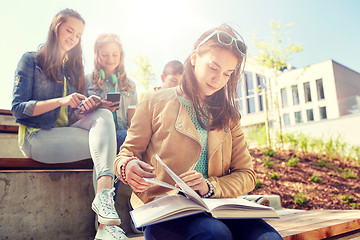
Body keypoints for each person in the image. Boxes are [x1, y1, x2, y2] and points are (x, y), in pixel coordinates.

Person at [114, 23, 283, 240]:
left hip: (218, 206)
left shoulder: (229, 116)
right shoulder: (153, 101)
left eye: (227, 74)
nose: (218, 79)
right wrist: (127, 166)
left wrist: (210, 186)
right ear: (194, 58)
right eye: (213, 68)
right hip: (167, 210)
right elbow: (126, 154)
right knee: (214, 235)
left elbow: (247, 175)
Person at [11, 9, 127, 240]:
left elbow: (73, 116)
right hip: (38, 137)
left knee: (103, 119)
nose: (73, 38)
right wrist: (60, 100)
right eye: (69, 30)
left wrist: (90, 106)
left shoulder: (73, 69)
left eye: (79, 35)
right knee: (106, 144)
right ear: (56, 28)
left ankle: (104, 212)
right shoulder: (32, 60)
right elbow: (18, 108)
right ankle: (106, 226)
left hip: (66, 135)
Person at [86, 33, 138, 154]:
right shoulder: (87, 80)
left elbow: (135, 114)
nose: (110, 59)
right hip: (98, 133)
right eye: (105, 55)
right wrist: (98, 107)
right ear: (97, 55)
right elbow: (77, 114)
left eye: (115, 55)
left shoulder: (130, 84)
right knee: (125, 138)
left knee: (132, 137)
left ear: (121, 56)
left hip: (122, 132)